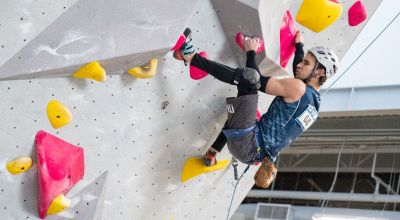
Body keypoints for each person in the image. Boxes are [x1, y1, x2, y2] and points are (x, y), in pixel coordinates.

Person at [173, 29, 339, 188]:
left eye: (306, 63)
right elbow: (300, 77)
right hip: (254, 153)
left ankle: (188, 54)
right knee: (243, 110)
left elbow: (256, 81)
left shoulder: (298, 88)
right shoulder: (314, 105)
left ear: (319, 72)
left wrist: (251, 51)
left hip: (248, 142)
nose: (300, 65)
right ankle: (212, 153)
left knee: (249, 79)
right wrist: (299, 46)